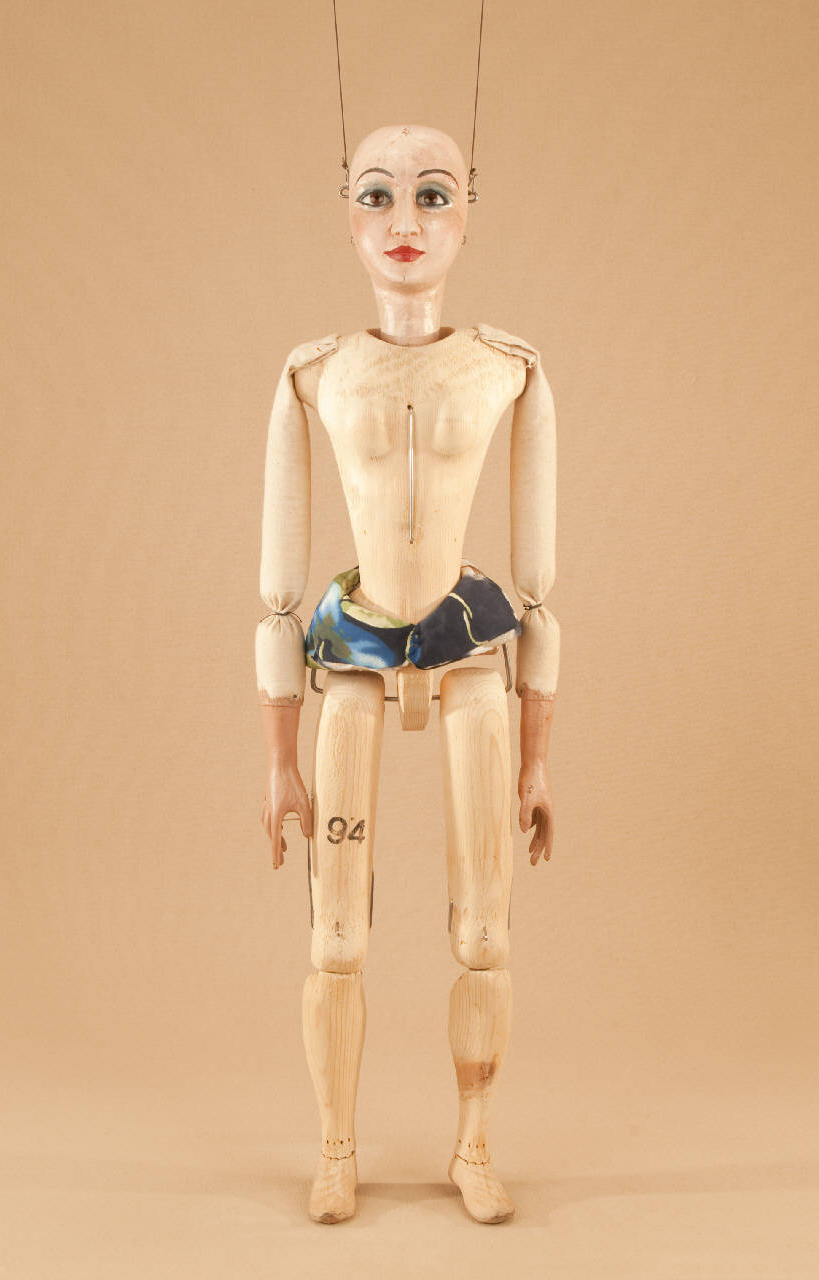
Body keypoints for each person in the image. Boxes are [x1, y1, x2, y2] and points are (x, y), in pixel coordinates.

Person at [256, 123, 559, 1224]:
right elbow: (278, 591)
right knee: (335, 934)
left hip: (471, 651)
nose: (404, 223)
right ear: (346, 210)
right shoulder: (314, 374)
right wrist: (277, 761)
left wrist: (537, 759)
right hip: (351, 653)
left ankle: (473, 1144)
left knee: (485, 930)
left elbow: (540, 589)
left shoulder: (509, 368)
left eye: (432, 195)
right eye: (377, 195)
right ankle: (335, 1147)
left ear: (468, 210)